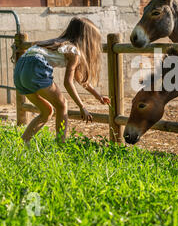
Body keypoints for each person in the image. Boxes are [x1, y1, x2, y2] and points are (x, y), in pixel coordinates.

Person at [14, 17, 110, 145]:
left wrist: (98, 96)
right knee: (62, 104)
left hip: (20, 68)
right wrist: (82, 107)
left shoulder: (57, 43)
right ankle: (60, 145)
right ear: (87, 39)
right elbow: (68, 83)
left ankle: (22, 143)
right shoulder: (73, 51)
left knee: (47, 111)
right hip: (35, 67)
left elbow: (80, 79)